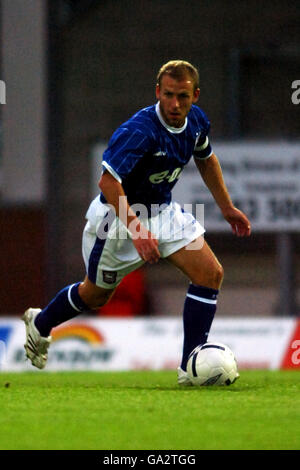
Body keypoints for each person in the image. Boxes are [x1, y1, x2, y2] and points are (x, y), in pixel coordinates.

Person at [23, 60, 251, 384]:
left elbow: (206, 157)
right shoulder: (139, 131)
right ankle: (41, 323)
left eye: (183, 97)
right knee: (96, 295)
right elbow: (107, 183)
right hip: (116, 220)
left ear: (195, 95)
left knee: (210, 273)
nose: (175, 104)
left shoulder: (197, 122)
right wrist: (137, 229)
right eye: (168, 95)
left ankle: (189, 365)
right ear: (158, 91)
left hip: (162, 212)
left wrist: (226, 207)